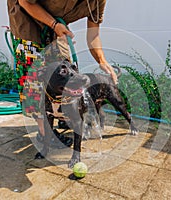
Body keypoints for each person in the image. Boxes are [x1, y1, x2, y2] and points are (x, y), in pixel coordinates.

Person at [7, 0, 118, 141]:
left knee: (64, 72)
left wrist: (102, 61)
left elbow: (93, 35)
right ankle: (45, 133)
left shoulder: (98, 1)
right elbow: (25, 2)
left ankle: (61, 114)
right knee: (34, 78)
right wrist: (54, 24)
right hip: (27, 18)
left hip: (58, 26)